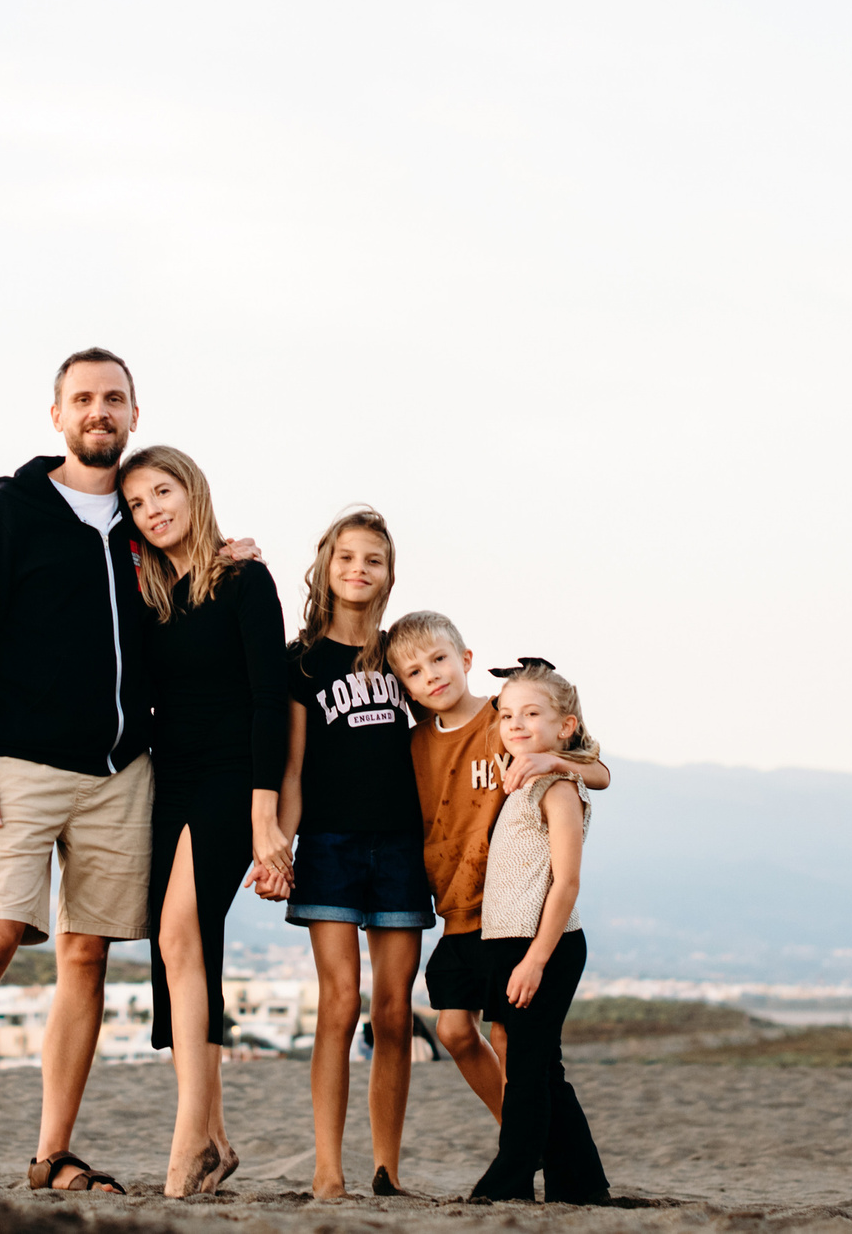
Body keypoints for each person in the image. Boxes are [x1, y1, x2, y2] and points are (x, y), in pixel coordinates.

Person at [0, 347, 157, 1198]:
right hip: (18, 766)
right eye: (82, 398)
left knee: (86, 955)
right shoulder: (13, 510)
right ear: (57, 415)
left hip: (121, 771)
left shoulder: (148, 515)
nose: (98, 410)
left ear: (134, 412)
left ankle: (54, 1153)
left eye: (113, 398)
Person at [117, 444, 293, 1197]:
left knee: (179, 933)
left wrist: (265, 814)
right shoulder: (148, 593)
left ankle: (189, 1135)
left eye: (163, 491)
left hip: (231, 777)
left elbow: (270, 699)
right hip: (170, 779)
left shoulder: (245, 579)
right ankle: (216, 1138)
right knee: (187, 952)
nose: (153, 509)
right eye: (137, 503)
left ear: (193, 490)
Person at [265, 507, 433, 1200]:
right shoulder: (301, 661)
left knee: (393, 1011)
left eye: (373, 559)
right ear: (325, 567)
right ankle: (328, 1170)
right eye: (347, 557)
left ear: (388, 574)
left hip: (401, 849)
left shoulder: (402, 654)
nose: (359, 569)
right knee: (339, 1002)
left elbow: (442, 737)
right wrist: (277, 845)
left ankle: (387, 1170)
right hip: (330, 846)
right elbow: (293, 769)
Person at [387, 611, 611, 1124]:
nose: (432, 676)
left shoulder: (505, 719)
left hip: (509, 909)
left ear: (465, 659)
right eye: (415, 672)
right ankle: (517, 1131)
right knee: (453, 1030)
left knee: (509, 1036)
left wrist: (554, 762)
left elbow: (599, 772)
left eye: (439, 660)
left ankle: (525, 1144)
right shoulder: (415, 743)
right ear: (405, 687)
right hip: (455, 904)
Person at [467, 661, 609, 1205]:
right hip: (508, 943)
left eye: (531, 714)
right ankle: (582, 1185)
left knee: (526, 1072)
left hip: (544, 945)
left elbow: (566, 882)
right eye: (507, 715)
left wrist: (536, 961)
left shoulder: (559, 787)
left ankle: (508, 1183)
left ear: (565, 726)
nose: (515, 724)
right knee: (543, 1069)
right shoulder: (520, 780)